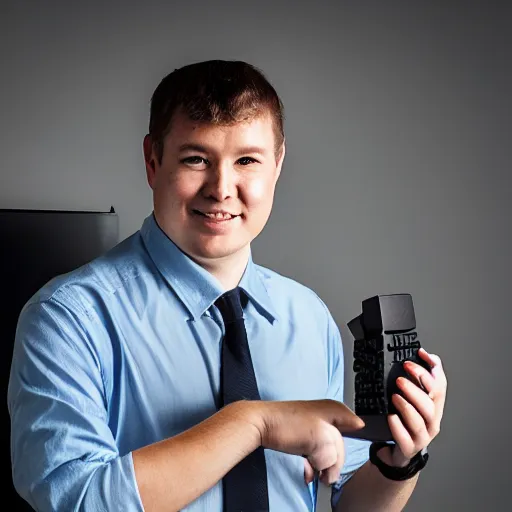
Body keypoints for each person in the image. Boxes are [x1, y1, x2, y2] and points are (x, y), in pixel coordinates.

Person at [8, 59, 447, 512]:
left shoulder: (309, 317)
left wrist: (400, 461)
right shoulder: (67, 318)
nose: (221, 188)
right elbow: (75, 500)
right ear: (152, 162)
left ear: (277, 165)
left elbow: (346, 499)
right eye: (196, 159)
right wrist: (254, 423)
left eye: (247, 161)